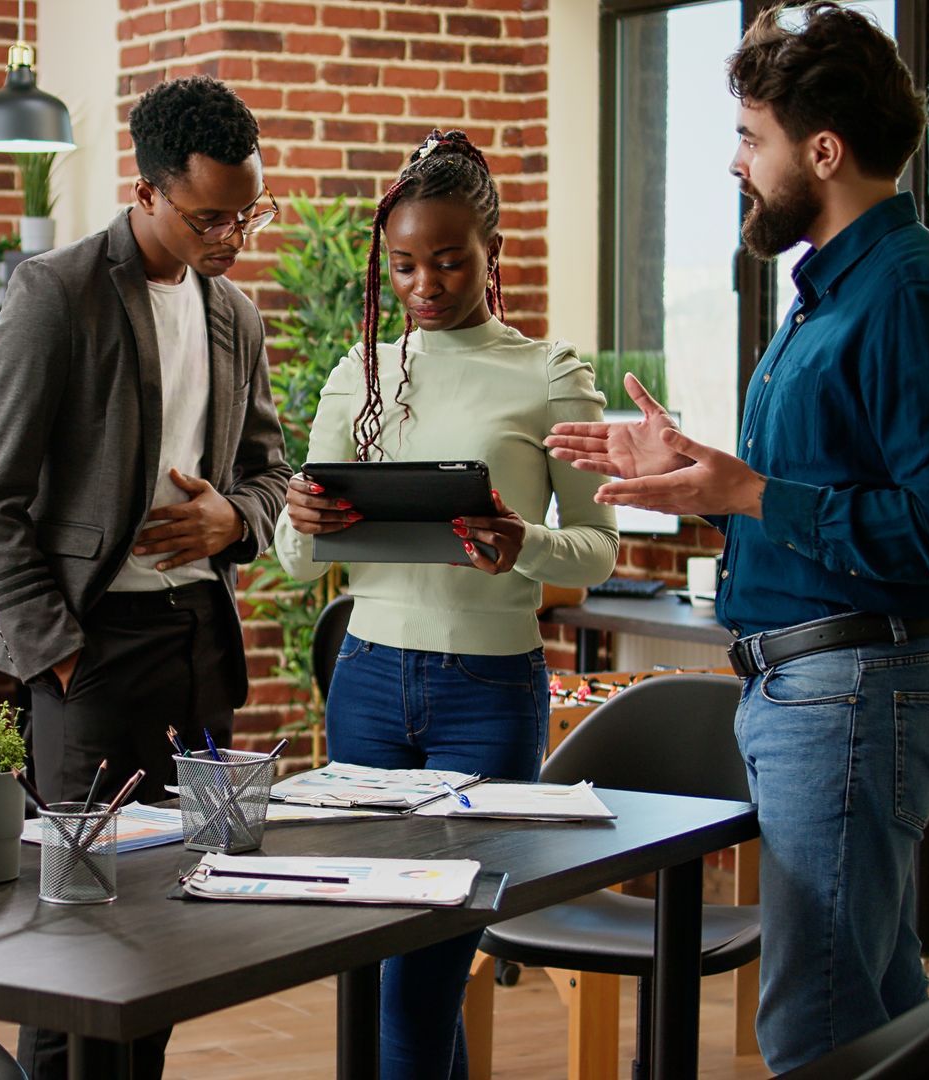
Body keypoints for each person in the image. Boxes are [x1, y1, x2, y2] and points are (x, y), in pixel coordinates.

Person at [544, 5, 929, 1070]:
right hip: (813, 691)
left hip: (854, 691)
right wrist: (700, 480)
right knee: (881, 1008)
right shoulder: (824, 303)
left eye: (752, 136)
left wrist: (751, 491)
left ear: (824, 150)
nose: (736, 162)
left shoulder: (911, 297)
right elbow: (813, 498)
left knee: (820, 1021)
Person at [0, 75, 291, 1080]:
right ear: (145, 193)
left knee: (171, 928)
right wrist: (58, 654)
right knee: (78, 939)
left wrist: (234, 517)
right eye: (210, 217)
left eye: (247, 213)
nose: (233, 236)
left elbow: (271, 473)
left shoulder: (234, 314)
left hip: (198, 648)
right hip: (90, 657)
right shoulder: (56, 294)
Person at [276, 129, 617, 1079]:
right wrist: (303, 515)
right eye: (406, 265)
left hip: (488, 695)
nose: (425, 284)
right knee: (386, 965)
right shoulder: (362, 373)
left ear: (491, 250)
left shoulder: (550, 376)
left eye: (449, 259)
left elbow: (597, 552)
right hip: (367, 685)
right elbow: (299, 564)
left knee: (422, 978)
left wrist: (525, 546)